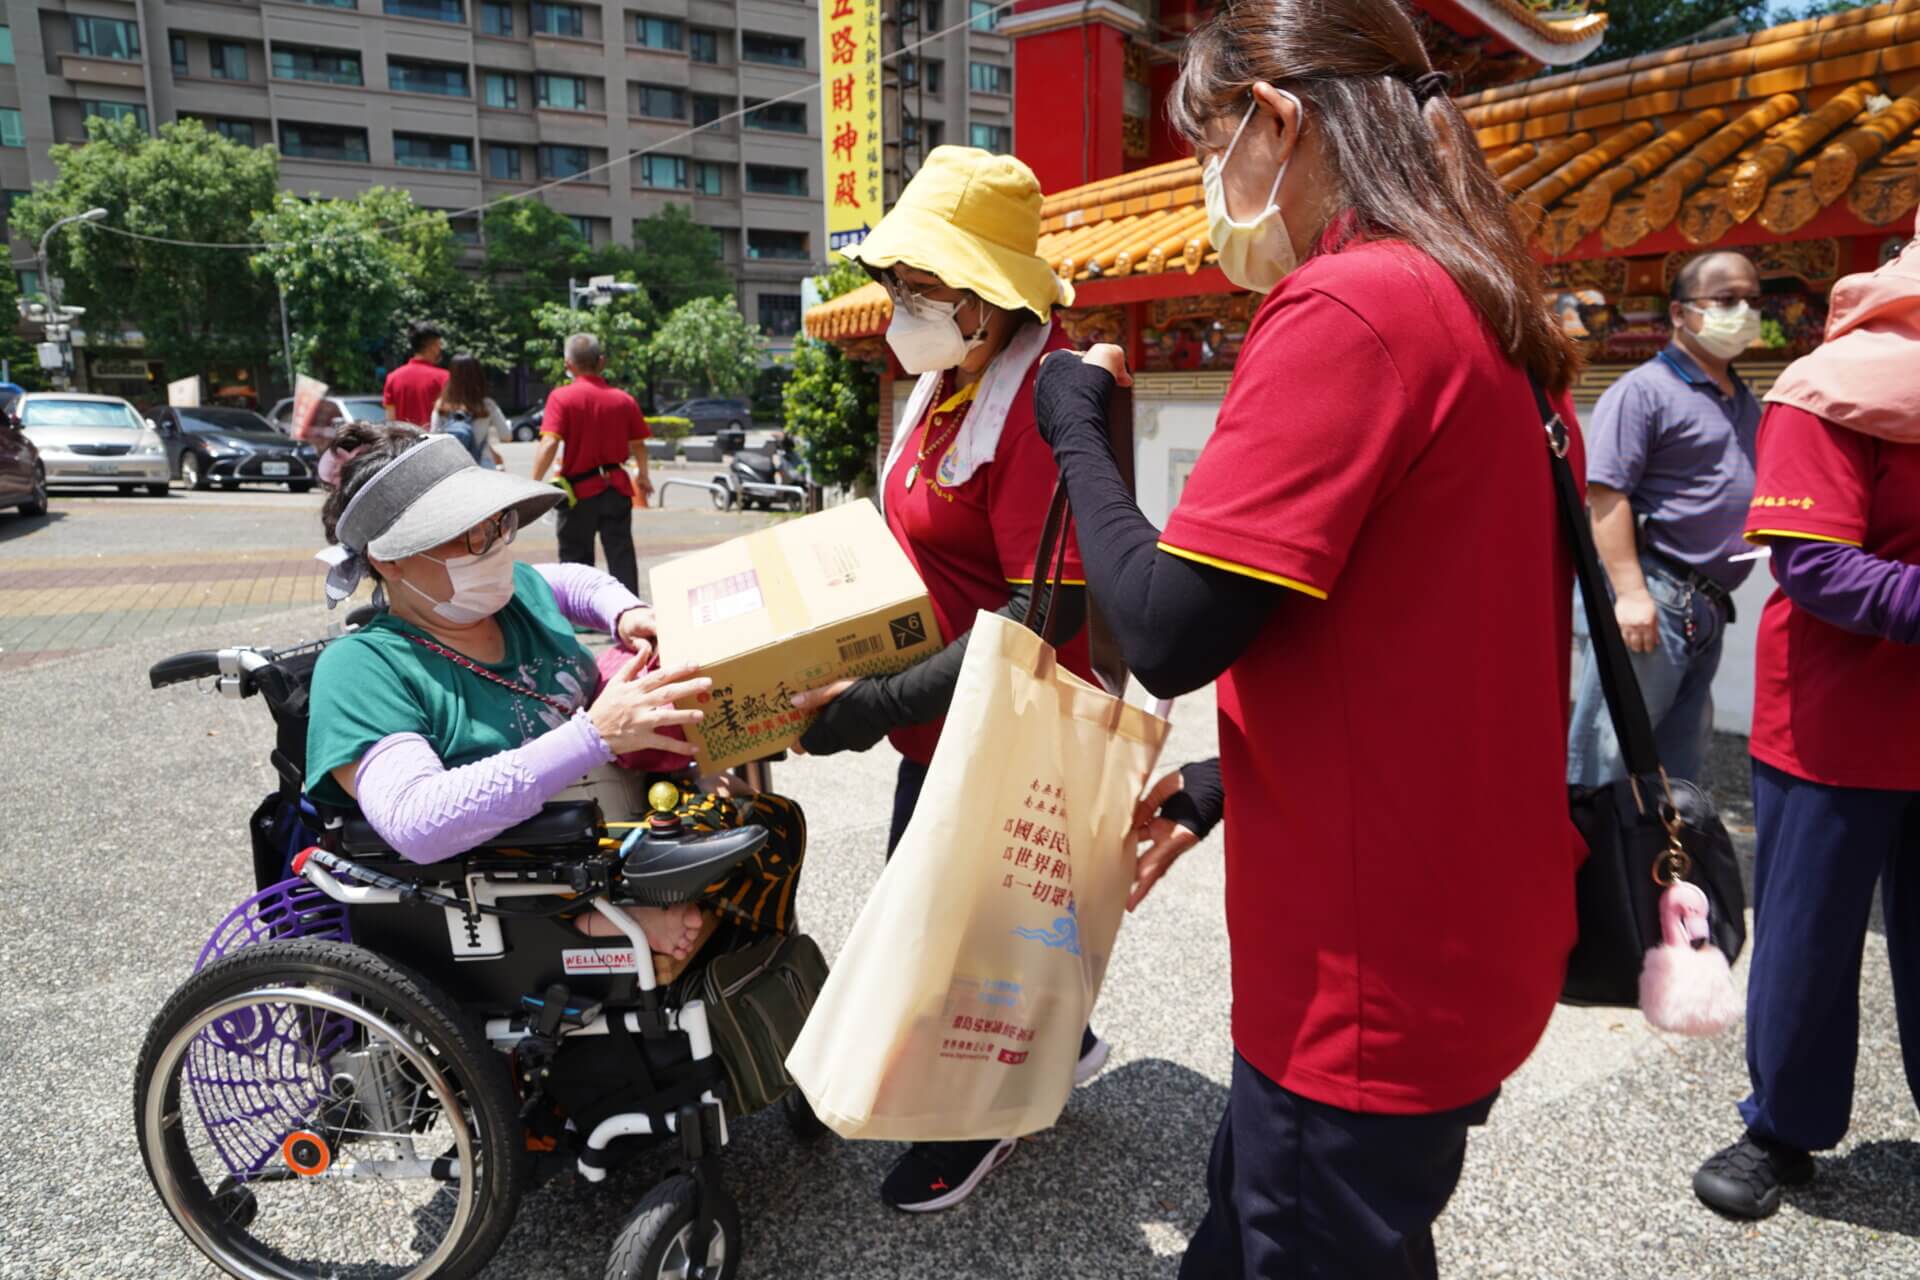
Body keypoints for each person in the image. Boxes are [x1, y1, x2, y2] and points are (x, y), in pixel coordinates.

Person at [1032, 1, 1586, 1273]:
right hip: (1469, 926)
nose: (1206, 181)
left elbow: (1166, 627)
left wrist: (1075, 422)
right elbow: (1431, 626)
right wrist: (1239, 775)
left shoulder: (1349, 306)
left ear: (1275, 120)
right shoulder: (1492, 310)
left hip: (1359, 981)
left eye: (1208, 137)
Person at [785, 145, 1105, 1213]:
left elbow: (1043, 611)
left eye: (921, 286)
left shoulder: (1042, 404)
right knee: (995, 912)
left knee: (944, 922)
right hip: (939, 706)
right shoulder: (946, 382)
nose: (899, 305)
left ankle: (976, 1119)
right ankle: (1066, 1039)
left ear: (988, 298)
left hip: (1005, 720)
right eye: (897, 283)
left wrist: (870, 705)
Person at [304, 424, 805, 972]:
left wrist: (626, 612)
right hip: (531, 876)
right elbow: (418, 822)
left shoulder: (510, 597)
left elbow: (571, 582)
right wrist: (593, 735)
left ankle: (687, 925)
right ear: (388, 560)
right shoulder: (362, 669)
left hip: (624, 823)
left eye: (497, 526)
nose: (494, 548)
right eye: (468, 536)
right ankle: (632, 926)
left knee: (771, 824)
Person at [1691, 214, 1920, 1221]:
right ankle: (1780, 1127)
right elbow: (1818, 564)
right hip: (1838, 723)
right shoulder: (1835, 388)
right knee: (1813, 939)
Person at [1566, 250, 1764, 787]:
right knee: (1612, 750)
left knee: (1678, 760)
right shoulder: (1644, 391)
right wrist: (1631, 594)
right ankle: (1592, 862)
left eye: (1751, 300)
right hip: (1655, 592)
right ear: (1679, 313)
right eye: (1725, 300)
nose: (1742, 311)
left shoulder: (1742, 399)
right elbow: (1606, 496)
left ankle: (1657, 862)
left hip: (1708, 602)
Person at [531, 334, 652, 597]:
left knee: (576, 558)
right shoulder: (623, 399)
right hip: (617, 488)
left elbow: (550, 443)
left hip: (578, 493)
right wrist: (643, 476)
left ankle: (581, 616)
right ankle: (628, 609)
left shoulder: (562, 397)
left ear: (568, 364)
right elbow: (639, 445)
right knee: (620, 554)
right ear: (601, 362)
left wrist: (533, 482)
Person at [431, 353, 509, 469]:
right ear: (478, 375)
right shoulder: (487, 405)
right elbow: (506, 436)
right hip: (482, 466)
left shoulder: (441, 405)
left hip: (452, 469)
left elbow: (433, 437)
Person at [383, 322, 450, 427]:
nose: (440, 349)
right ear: (432, 347)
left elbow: (391, 421)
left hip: (403, 442)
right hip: (434, 442)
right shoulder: (444, 378)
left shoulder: (392, 378)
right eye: (438, 344)